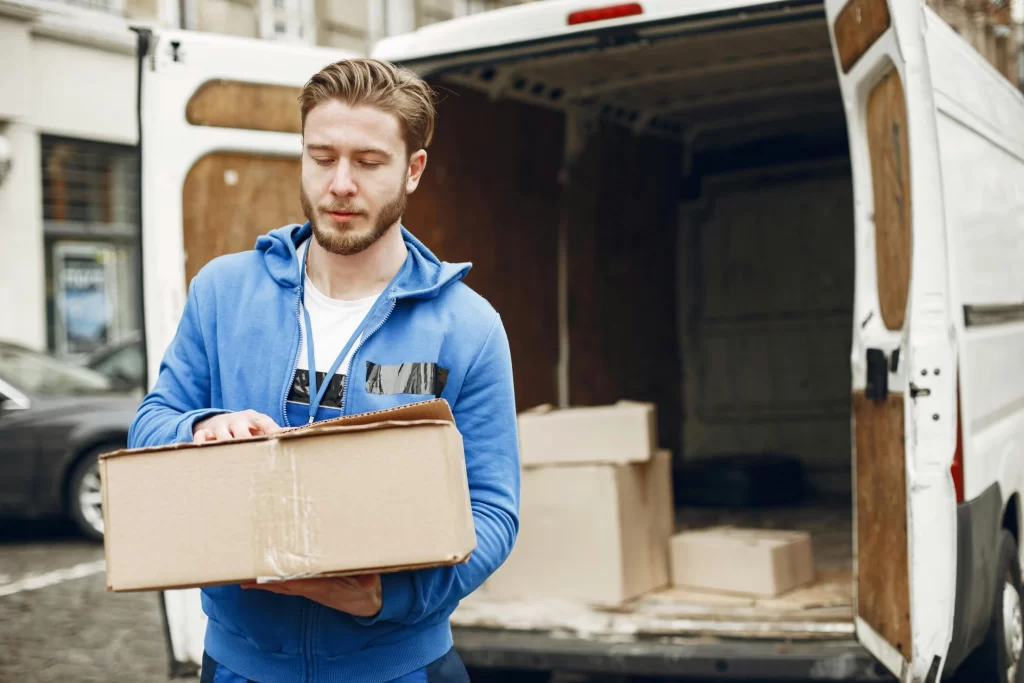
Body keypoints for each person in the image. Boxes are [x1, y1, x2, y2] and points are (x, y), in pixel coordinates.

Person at [128, 59, 520, 683]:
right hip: (240, 666)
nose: (340, 184)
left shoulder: (468, 327)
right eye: (322, 157)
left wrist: (386, 599)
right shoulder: (222, 292)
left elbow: (495, 510)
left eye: (368, 162)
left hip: (398, 667)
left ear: (412, 169)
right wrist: (202, 429)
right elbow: (150, 425)